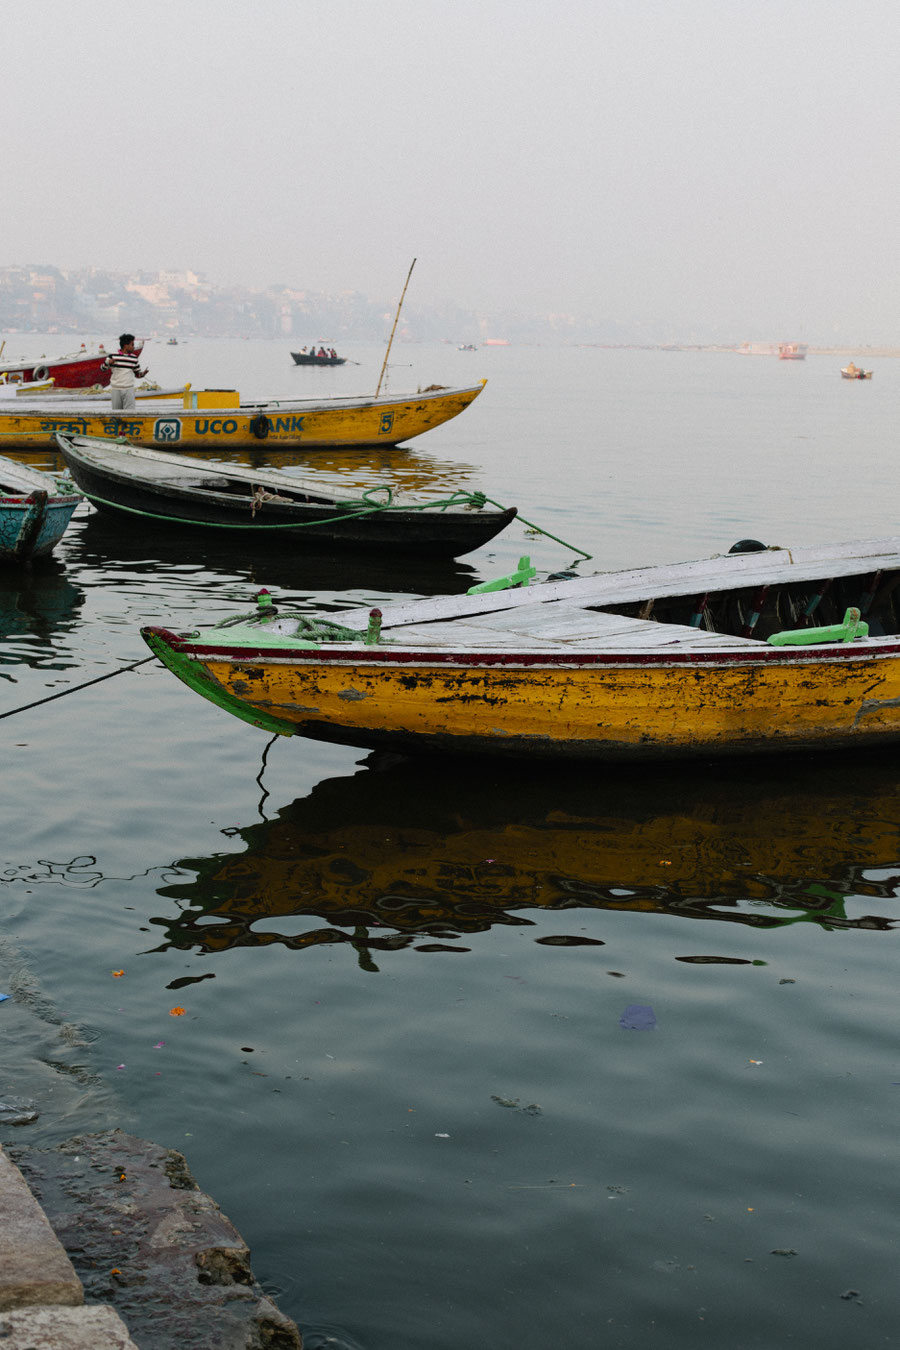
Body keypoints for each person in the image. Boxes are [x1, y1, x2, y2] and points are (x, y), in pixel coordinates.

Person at [102, 334, 148, 410]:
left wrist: (143, 373)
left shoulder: (134, 358)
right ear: (125, 345)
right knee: (117, 413)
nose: (134, 347)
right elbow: (103, 368)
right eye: (132, 345)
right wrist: (108, 363)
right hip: (116, 389)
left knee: (130, 414)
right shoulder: (112, 356)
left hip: (129, 389)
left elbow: (137, 374)